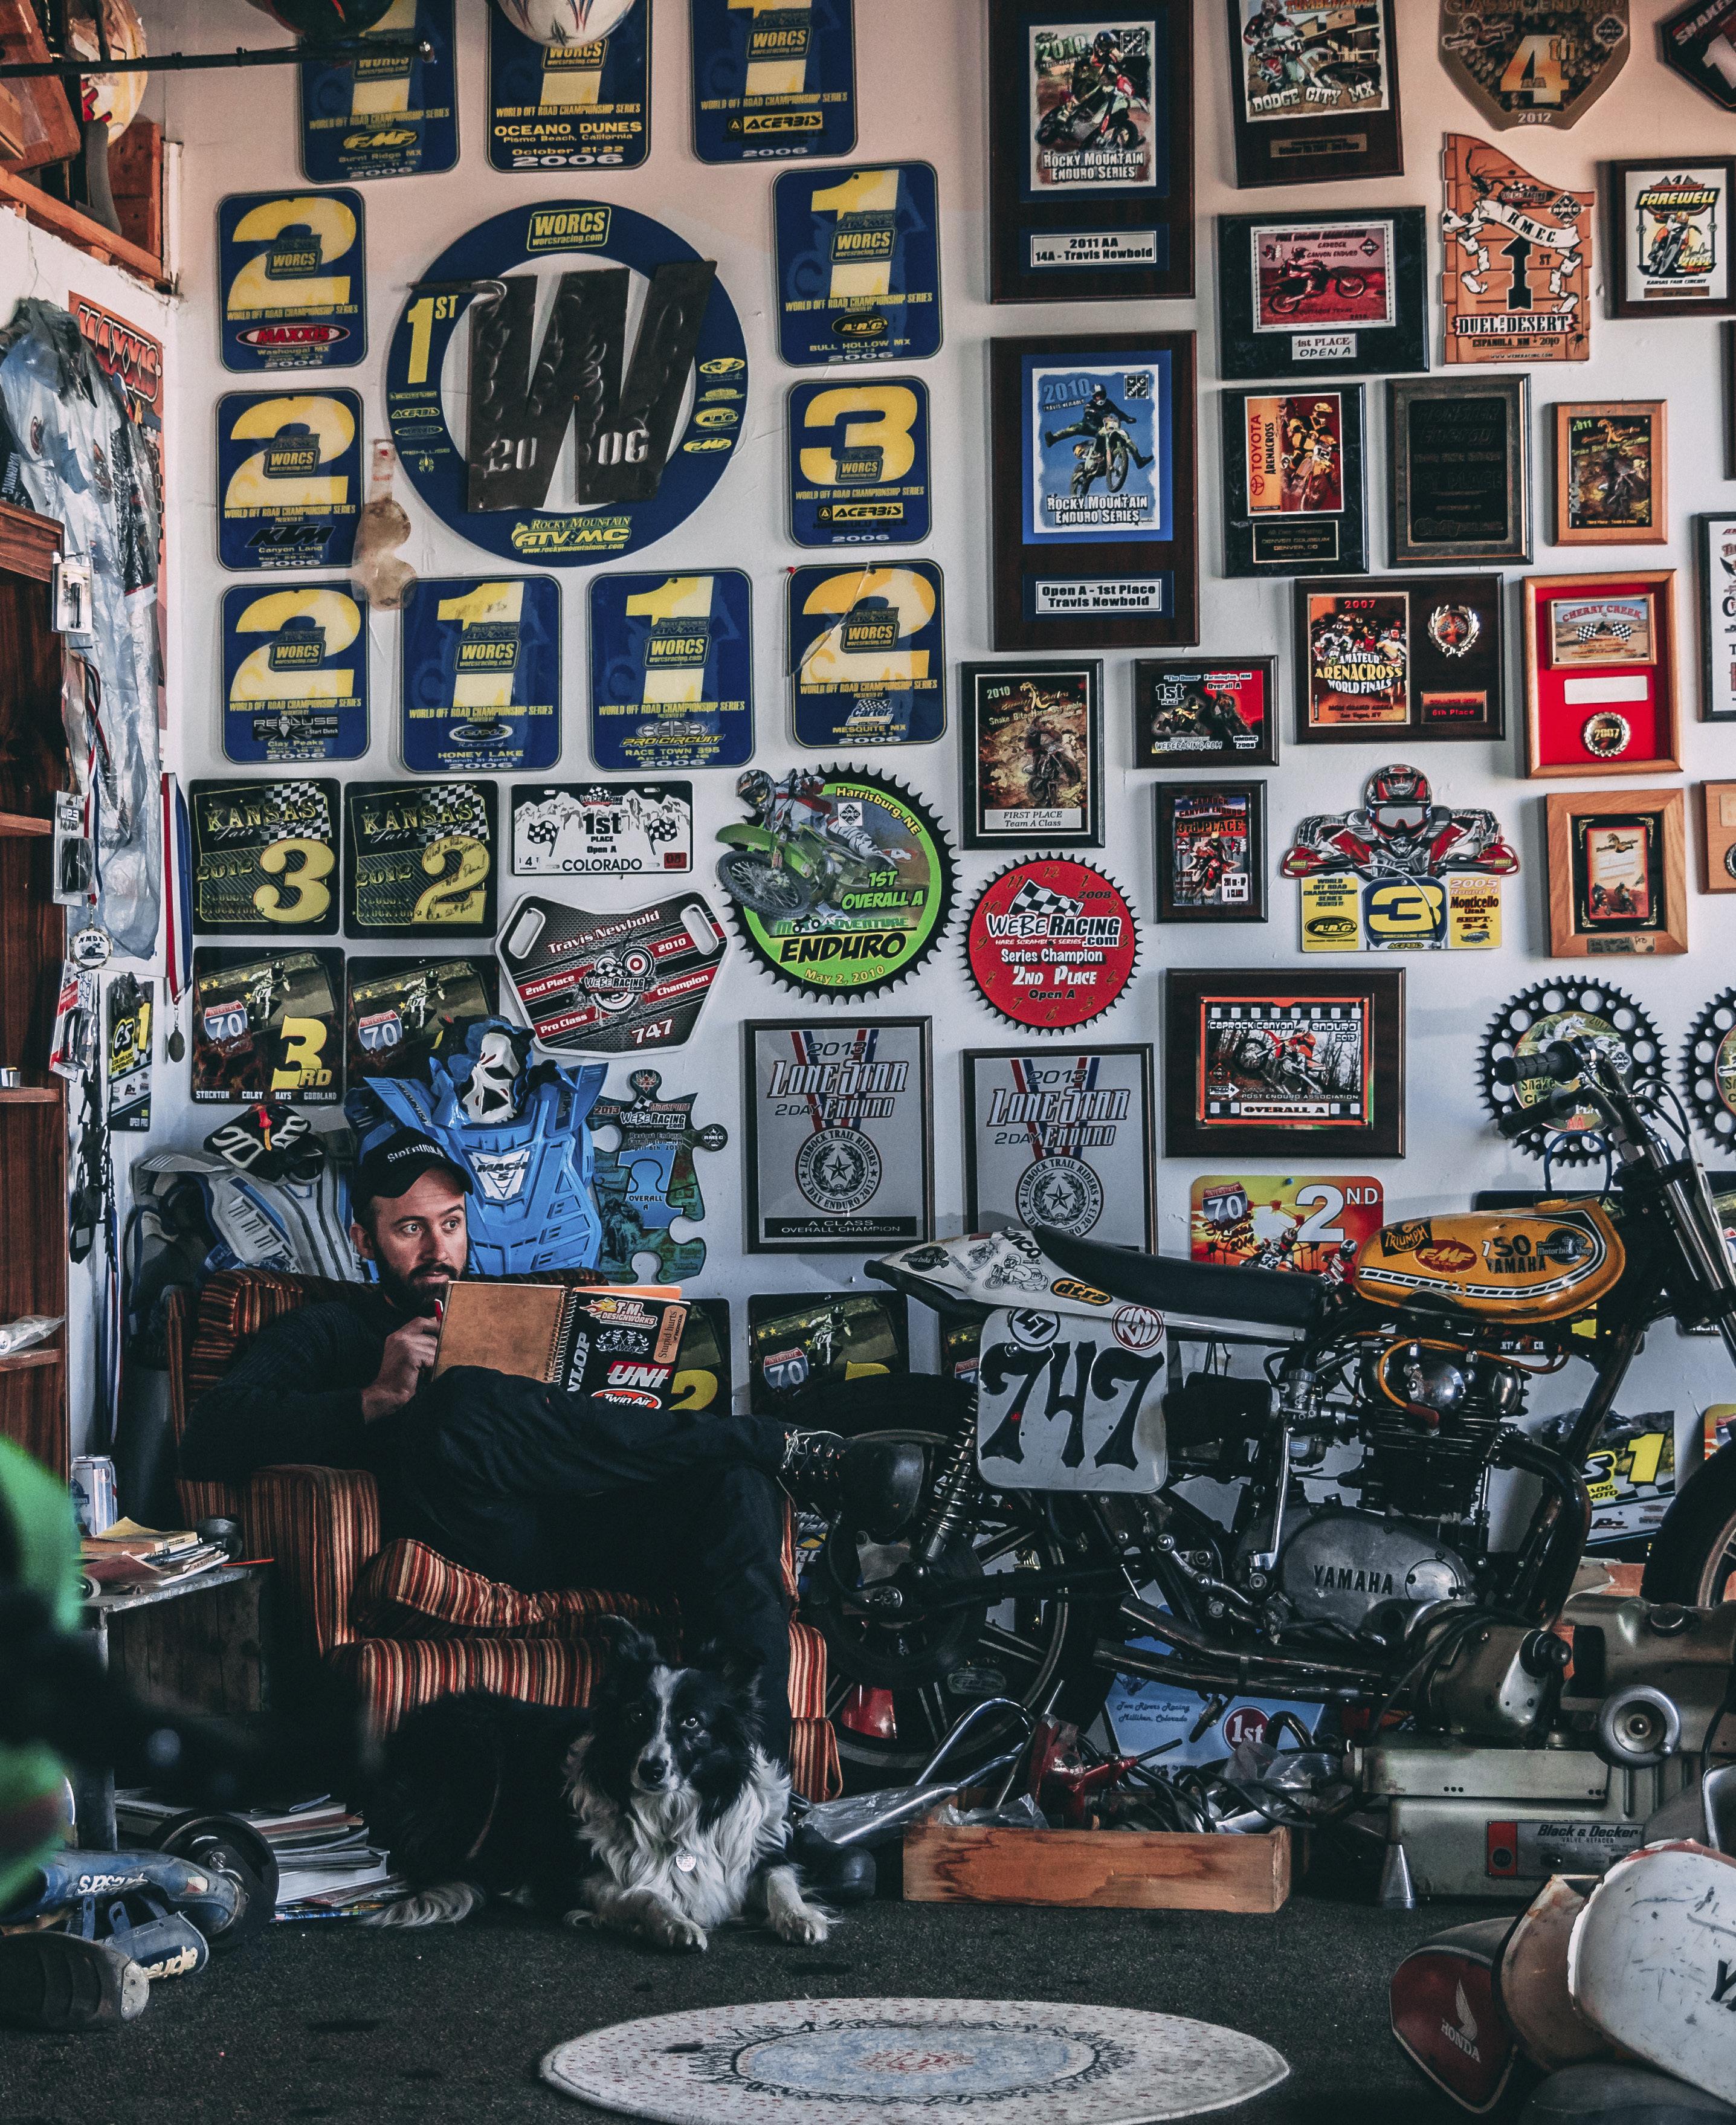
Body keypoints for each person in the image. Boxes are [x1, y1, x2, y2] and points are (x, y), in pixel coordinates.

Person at [178, 1129, 923, 1777]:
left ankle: (760, 1796)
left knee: (736, 1488)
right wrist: (373, 1398)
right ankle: (778, 1443)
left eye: (451, 1224)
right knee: (458, 1402)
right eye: (410, 1229)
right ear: (362, 1239)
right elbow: (213, 1430)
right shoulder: (328, 1329)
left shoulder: (526, 1311)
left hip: (585, 1526)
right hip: (473, 1534)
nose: (438, 1249)